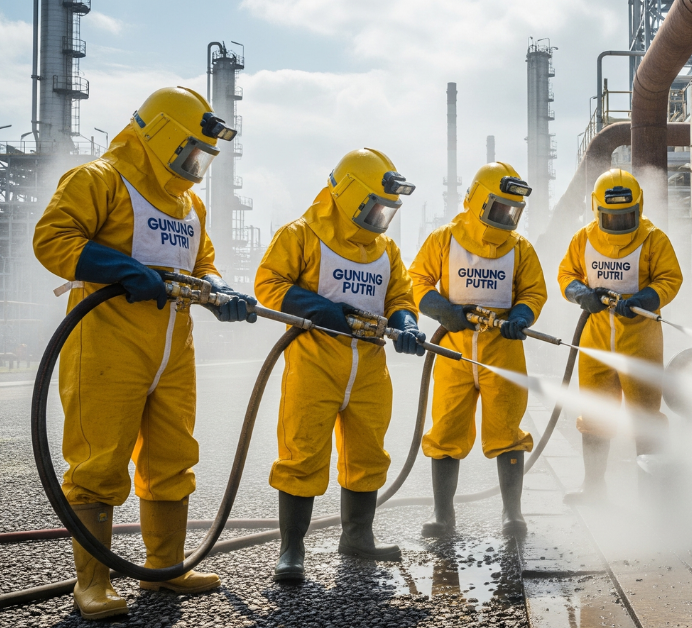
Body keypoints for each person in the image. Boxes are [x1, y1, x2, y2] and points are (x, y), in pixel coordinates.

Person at [33, 86, 256, 619]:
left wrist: (219, 290)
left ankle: (165, 567)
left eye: (203, 158)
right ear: (159, 136)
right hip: (106, 345)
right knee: (99, 461)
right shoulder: (100, 180)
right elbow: (53, 238)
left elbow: (203, 262)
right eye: (190, 152)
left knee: (172, 456)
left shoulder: (189, 203)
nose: (195, 166)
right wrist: (119, 269)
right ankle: (92, 583)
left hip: (172, 350)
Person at [255, 148, 426, 582]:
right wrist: (320, 309)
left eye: (387, 211)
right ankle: (292, 549)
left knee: (368, 451)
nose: (380, 218)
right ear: (351, 197)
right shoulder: (303, 235)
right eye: (375, 206)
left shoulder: (385, 250)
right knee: (302, 452)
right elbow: (269, 283)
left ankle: (357, 537)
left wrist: (406, 322)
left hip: (369, 366)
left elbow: (401, 297)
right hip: (315, 364)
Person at [410, 162, 547, 536]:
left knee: (507, 430)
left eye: (511, 211)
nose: (506, 217)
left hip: (501, 348)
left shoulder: (520, 248)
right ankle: (443, 515)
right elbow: (417, 279)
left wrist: (522, 313)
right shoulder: (445, 239)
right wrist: (442, 311)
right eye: (499, 208)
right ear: (478, 201)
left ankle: (511, 513)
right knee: (446, 429)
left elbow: (534, 291)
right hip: (454, 348)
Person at [557, 169, 682, 503]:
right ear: (598, 211)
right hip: (595, 341)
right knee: (596, 416)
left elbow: (670, 278)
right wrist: (581, 293)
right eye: (611, 217)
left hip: (641, 342)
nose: (619, 223)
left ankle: (653, 496)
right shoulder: (584, 239)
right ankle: (594, 488)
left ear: (639, 209)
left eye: (627, 216)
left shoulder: (653, 238)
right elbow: (566, 274)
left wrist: (645, 299)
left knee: (645, 419)